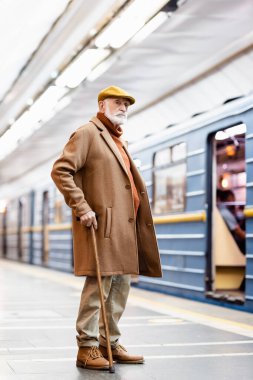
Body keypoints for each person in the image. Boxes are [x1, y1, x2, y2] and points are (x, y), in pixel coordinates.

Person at [51, 86, 162, 371]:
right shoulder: (88, 133)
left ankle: (109, 341)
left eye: (126, 103)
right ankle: (86, 347)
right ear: (102, 105)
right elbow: (61, 170)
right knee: (98, 285)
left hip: (125, 226)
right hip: (103, 224)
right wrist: (82, 207)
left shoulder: (117, 139)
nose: (123, 107)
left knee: (121, 285)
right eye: (117, 102)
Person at [217, 189, 245, 254]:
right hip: (234, 244)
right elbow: (240, 233)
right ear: (227, 200)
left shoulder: (223, 211)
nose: (234, 201)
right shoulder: (225, 213)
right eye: (233, 198)